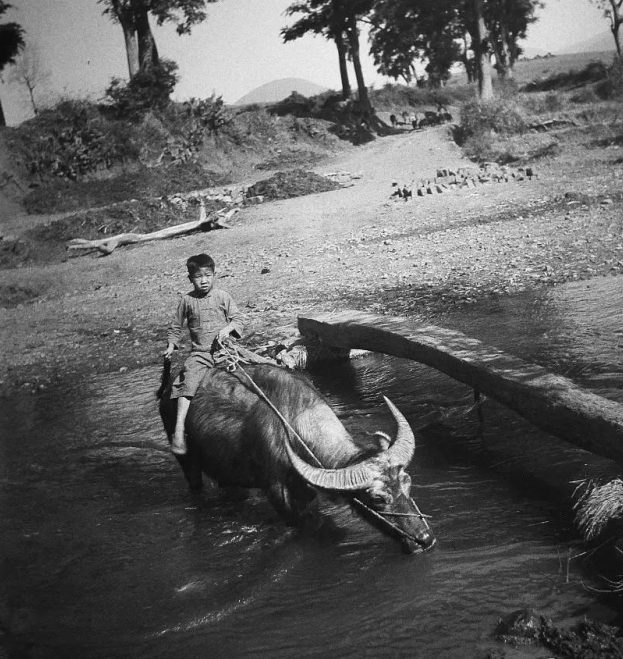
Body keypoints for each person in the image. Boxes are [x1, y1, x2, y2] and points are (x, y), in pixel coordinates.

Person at [163, 253, 244, 455]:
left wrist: (227, 330)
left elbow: (238, 320)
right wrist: (172, 345)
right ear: (190, 278)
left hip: (227, 350)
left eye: (208, 275)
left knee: (259, 370)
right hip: (201, 353)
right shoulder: (186, 301)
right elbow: (175, 327)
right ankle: (179, 432)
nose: (204, 280)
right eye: (198, 276)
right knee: (188, 383)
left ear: (215, 275)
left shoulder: (223, 296)